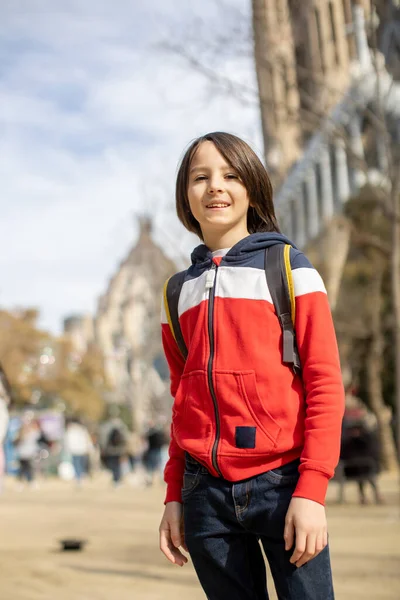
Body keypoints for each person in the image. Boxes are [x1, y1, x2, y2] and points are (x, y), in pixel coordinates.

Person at [158, 132, 345, 600]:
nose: (215, 187)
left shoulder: (289, 267)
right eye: (200, 177)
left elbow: (324, 383)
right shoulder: (176, 293)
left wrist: (311, 491)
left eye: (231, 175)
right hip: (205, 494)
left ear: (253, 188)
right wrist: (175, 495)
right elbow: (183, 405)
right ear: (186, 195)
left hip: (283, 484)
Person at [64, 417, 93, 487]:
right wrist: (89, 448)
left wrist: (67, 449)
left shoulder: (70, 430)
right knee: (80, 464)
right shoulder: (82, 429)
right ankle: (80, 477)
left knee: (76, 464)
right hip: (82, 450)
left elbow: (67, 441)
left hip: (74, 450)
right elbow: (87, 439)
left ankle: (78, 478)